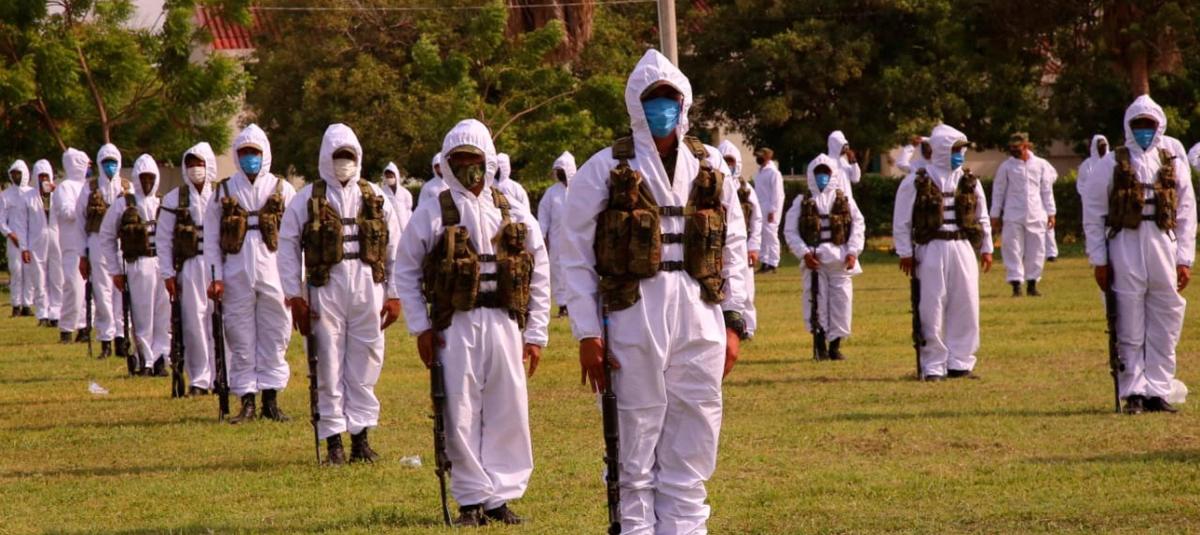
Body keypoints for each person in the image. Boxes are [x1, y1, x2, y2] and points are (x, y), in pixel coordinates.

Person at [560, 49, 749, 533]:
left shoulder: (710, 165)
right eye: (652, 98)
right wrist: (587, 333)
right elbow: (575, 255)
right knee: (634, 441)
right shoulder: (603, 168)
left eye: (669, 98)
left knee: (694, 435)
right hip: (632, 315)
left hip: (700, 314)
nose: (662, 107)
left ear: (684, 103)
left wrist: (735, 322)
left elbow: (733, 244)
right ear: (635, 103)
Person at [393, 118, 550, 526]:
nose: (468, 168)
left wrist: (536, 333)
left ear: (489, 161)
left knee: (508, 408)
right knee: (460, 410)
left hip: (505, 322)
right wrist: (421, 328)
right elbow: (405, 270)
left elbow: (540, 270)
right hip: (455, 325)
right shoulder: (433, 211)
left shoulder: (512, 210)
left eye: (474, 159)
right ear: (447, 163)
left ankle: (500, 496)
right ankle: (470, 498)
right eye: (458, 160)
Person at [280, 124, 402, 464]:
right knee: (327, 362)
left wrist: (394, 294)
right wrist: (295, 296)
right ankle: (333, 439)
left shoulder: (374, 196)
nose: (343, 162)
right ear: (326, 157)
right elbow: (288, 246)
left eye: (349, 156)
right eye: (338, 156)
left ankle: (361, 437)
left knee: (367, 359)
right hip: (325, 289)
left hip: (368, 287)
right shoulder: (307, 199)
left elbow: (395, 247)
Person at [1082, 95, 1195, 414]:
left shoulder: (1172, 162)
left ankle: (1158, 388)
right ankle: (1133, 390)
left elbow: (1187, 212)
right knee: (1128, 318)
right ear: (1129, 126)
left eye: (1150, 124)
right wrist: (1099, 259)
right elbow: (1093, 212)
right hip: (1124, 244)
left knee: (1166, 316)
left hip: (1162, 243)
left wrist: (1184, 258)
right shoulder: (1110, 164)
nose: (1144, 130)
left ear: (1160, 126)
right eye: (1139, 124)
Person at [203, 124, 296, 423]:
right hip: (235, 273)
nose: (249, 158)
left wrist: (296, 281)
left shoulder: (283, 189)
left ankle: (271, 399)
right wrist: (215, 277)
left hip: (275, 273)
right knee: (239, 335)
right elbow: (211, 237)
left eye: (254, 152)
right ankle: (247, 400)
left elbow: (296, 238)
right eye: (244, 152)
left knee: (276, 333)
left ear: (264, 153)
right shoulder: (224, 191)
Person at [893, 124, 994, 381]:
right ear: (941, 150)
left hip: (962, 246)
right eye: (955, 150)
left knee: (966, 304)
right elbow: (902, 220)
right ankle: (933, 365)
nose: (959, 155)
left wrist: (987, 248)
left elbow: (981, 215)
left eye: (961, 150)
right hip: (931, 248)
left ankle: (960, 362)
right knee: (932, 305)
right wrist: (905, 252)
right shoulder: (917, 181)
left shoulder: (969, 180)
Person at [784, 155, 865, 360]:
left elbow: (858, 225)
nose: (822, 177)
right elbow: (790, 231)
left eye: (826, 173)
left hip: (840, 260)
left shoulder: (844, 199)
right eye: (818, 172)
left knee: (841, 302)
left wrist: (853, 251)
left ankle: (835, 346)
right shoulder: (802, 201)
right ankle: (819, 345)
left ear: (832, 174)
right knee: (816, 302)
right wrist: (804, 253)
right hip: (815, 260)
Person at [99, 154, 170, 375]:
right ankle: (145, 360)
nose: (147, 182)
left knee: (163, 314)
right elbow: (106, 236)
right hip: (138, 263)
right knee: (142, 315)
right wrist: (115, 270)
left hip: (163, 263)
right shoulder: (123, 203)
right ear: (137, 178)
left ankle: (161, 358)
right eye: (143, 177)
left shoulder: (163, 203)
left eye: (151, 177)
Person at [158, 143, 218, 394]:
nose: (195, 169)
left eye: (200, 164)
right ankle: (200, 379)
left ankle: (222, 376)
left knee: (222, 321)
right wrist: (167, 273)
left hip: (219, 265)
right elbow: (163, 238)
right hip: (190, 265)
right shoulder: (174, 198)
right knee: (194, 322)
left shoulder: (221, 194)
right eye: (191, 164)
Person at [989, 133, 1057, 297]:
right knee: (1012, 249)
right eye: (1011, 148)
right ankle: (1016, 285)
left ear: (1025, 146)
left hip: (1036, 213)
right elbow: (998, 191)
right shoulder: (1006, 167)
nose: (1013, 150)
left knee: (1037, 250)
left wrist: (1051, 212)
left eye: (1016, 147)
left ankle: (1032, 284)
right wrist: (995, 214)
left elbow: (1046, 190)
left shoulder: (1040, 164)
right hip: (1013, 214)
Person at [77, 144, 129, 359]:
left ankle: (121, 337)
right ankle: (106, 339)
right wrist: (82, 254)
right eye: (106, 162)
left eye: (113, 162)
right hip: (97, 242)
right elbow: (80, 222)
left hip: (122, 243)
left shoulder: (127, 187)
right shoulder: (89, 188)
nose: (110, 166)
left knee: (122, 291)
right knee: (101, 292)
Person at [720, 139, 762, 339]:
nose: (728, 165)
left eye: (731, 161)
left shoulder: (746, 190)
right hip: (718, 246)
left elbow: (756, 219)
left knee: (746, 287)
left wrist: (754, 247)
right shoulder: (713, 186)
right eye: (724, 161)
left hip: (742, 246)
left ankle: (747, 327)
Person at [55, 149, 91, 345]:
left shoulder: (88, 186)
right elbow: (66, 212)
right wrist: (85, 209)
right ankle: (67, 328)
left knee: (88, 289)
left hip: (89, 243)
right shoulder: (65, 187)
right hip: (71, 244)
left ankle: (84, 327)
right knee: (73, 287)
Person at [537, 151, 574, 317]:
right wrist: (542, 236)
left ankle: (576, 304)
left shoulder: (579, 189)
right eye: (557, 171)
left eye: (562, 170)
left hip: (576, 239)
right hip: (557, 239)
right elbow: (544, 216)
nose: (559, 173)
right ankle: (562, 305)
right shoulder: (551, 193)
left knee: (575, 270)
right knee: (558, 271)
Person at [2, 160, 40, 317]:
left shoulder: (33, 193)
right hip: (14, 240)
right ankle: (16, 305)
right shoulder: (5, 195)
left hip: (31, 239)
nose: (15, 176)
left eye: (18, 173)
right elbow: (1, 219)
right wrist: (10, 234)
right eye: (13, 174)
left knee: (29, 272)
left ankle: (27, 304)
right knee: (16, 271)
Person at [31, 159, 62, 328]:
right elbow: (23, 224)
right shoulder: (29, 197)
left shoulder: (58, 194)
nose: (43, 179)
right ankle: (42, 312)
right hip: (37, 241)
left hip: (56, 239)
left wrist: (57, 192)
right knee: (39, 277)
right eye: (40, 176)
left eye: (46, 176)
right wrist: (24, 246)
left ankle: (56, 312)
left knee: (57, 277)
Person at [753, 147, 784, 274]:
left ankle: (773, 262)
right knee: (763, 235)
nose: (758, 158)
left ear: (768, 156)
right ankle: (764, 261)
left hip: (770, 208)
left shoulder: (774, 173)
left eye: (761, 155)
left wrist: (773, 210)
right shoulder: (760, 173)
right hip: (760, 207)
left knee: (771, 235)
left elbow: (777, 194)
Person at [381, 162, 413, 234]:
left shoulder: (405, 193)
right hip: (389, 224)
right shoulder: (382, 192)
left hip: (404, 224)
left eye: (391, 176)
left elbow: (409, 209)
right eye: (387, 177)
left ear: (396, 176)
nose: (389, 179)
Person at [827, 130, 862, 194]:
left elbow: (856, 179)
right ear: (834, 145)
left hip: (847, 198)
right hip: (834, 199)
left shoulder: (843, 161)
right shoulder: (827, 162)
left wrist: (853, 162)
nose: (845, 148)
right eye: (842, 146)